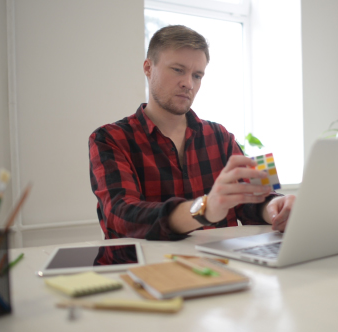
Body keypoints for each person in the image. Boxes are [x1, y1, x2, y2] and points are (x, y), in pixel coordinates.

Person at [88, 25, 296, 241]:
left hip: (224, 265)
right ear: (148, 68)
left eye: (197, 75)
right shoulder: (110, 138)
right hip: (150, 269)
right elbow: (121, 215)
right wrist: (204, 209)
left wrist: (276, 206)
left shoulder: (220, 136)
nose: (188, 83)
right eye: (178, 70)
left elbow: (253, 199)